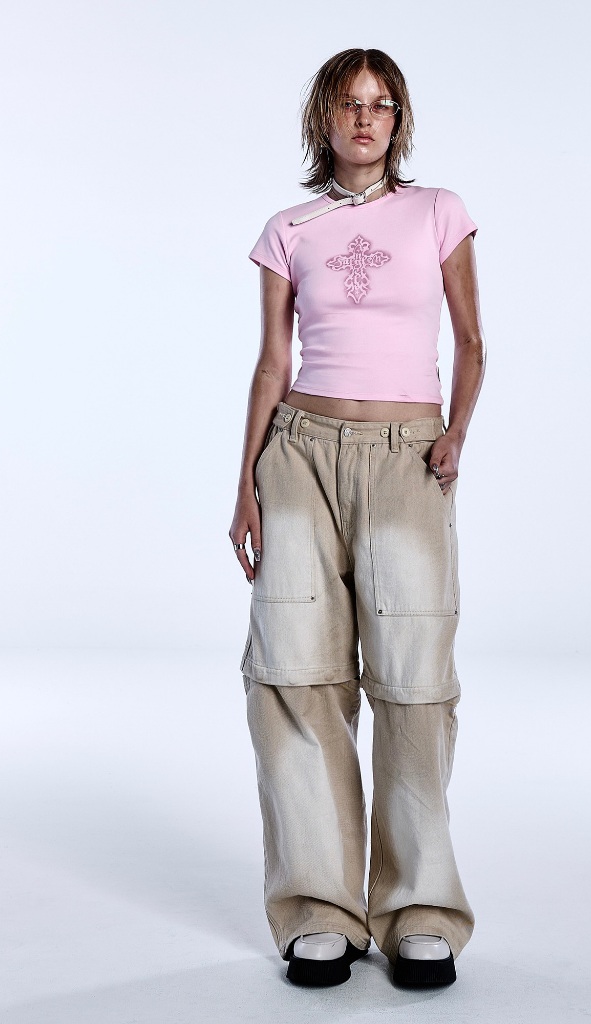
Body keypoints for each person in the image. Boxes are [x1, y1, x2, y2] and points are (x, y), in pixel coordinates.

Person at [229, 47, 486, 989]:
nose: (365, 118)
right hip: (299, 450)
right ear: (324, 120)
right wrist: (245, 483)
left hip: (406, 455)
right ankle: (319, 909)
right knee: (294, 670)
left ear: (399, 120)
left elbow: (472, 341)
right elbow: (272, 361)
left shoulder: (438, 212)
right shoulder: (288, 229)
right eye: (349, 104)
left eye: (382, 105)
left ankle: (420, 909)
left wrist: (456, 432)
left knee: (414, 679)